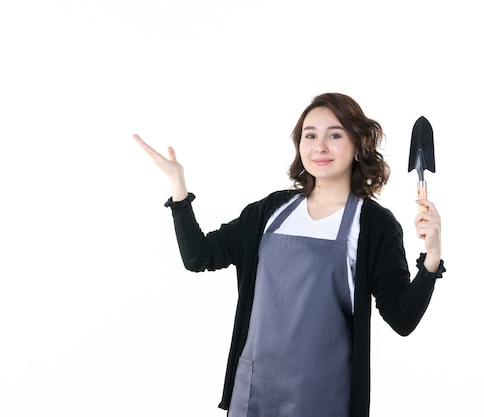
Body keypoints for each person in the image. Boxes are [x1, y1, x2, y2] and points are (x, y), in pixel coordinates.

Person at [133, 92, 445, 417]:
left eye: (334, 135)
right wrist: (177, 184)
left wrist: (432, 258)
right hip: (254, 391)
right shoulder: (270, 211)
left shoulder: (375, 225)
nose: (319, 146)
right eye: (310, 135)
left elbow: (402, 318)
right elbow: (199, 256)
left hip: (325, 396)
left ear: (358, 144)